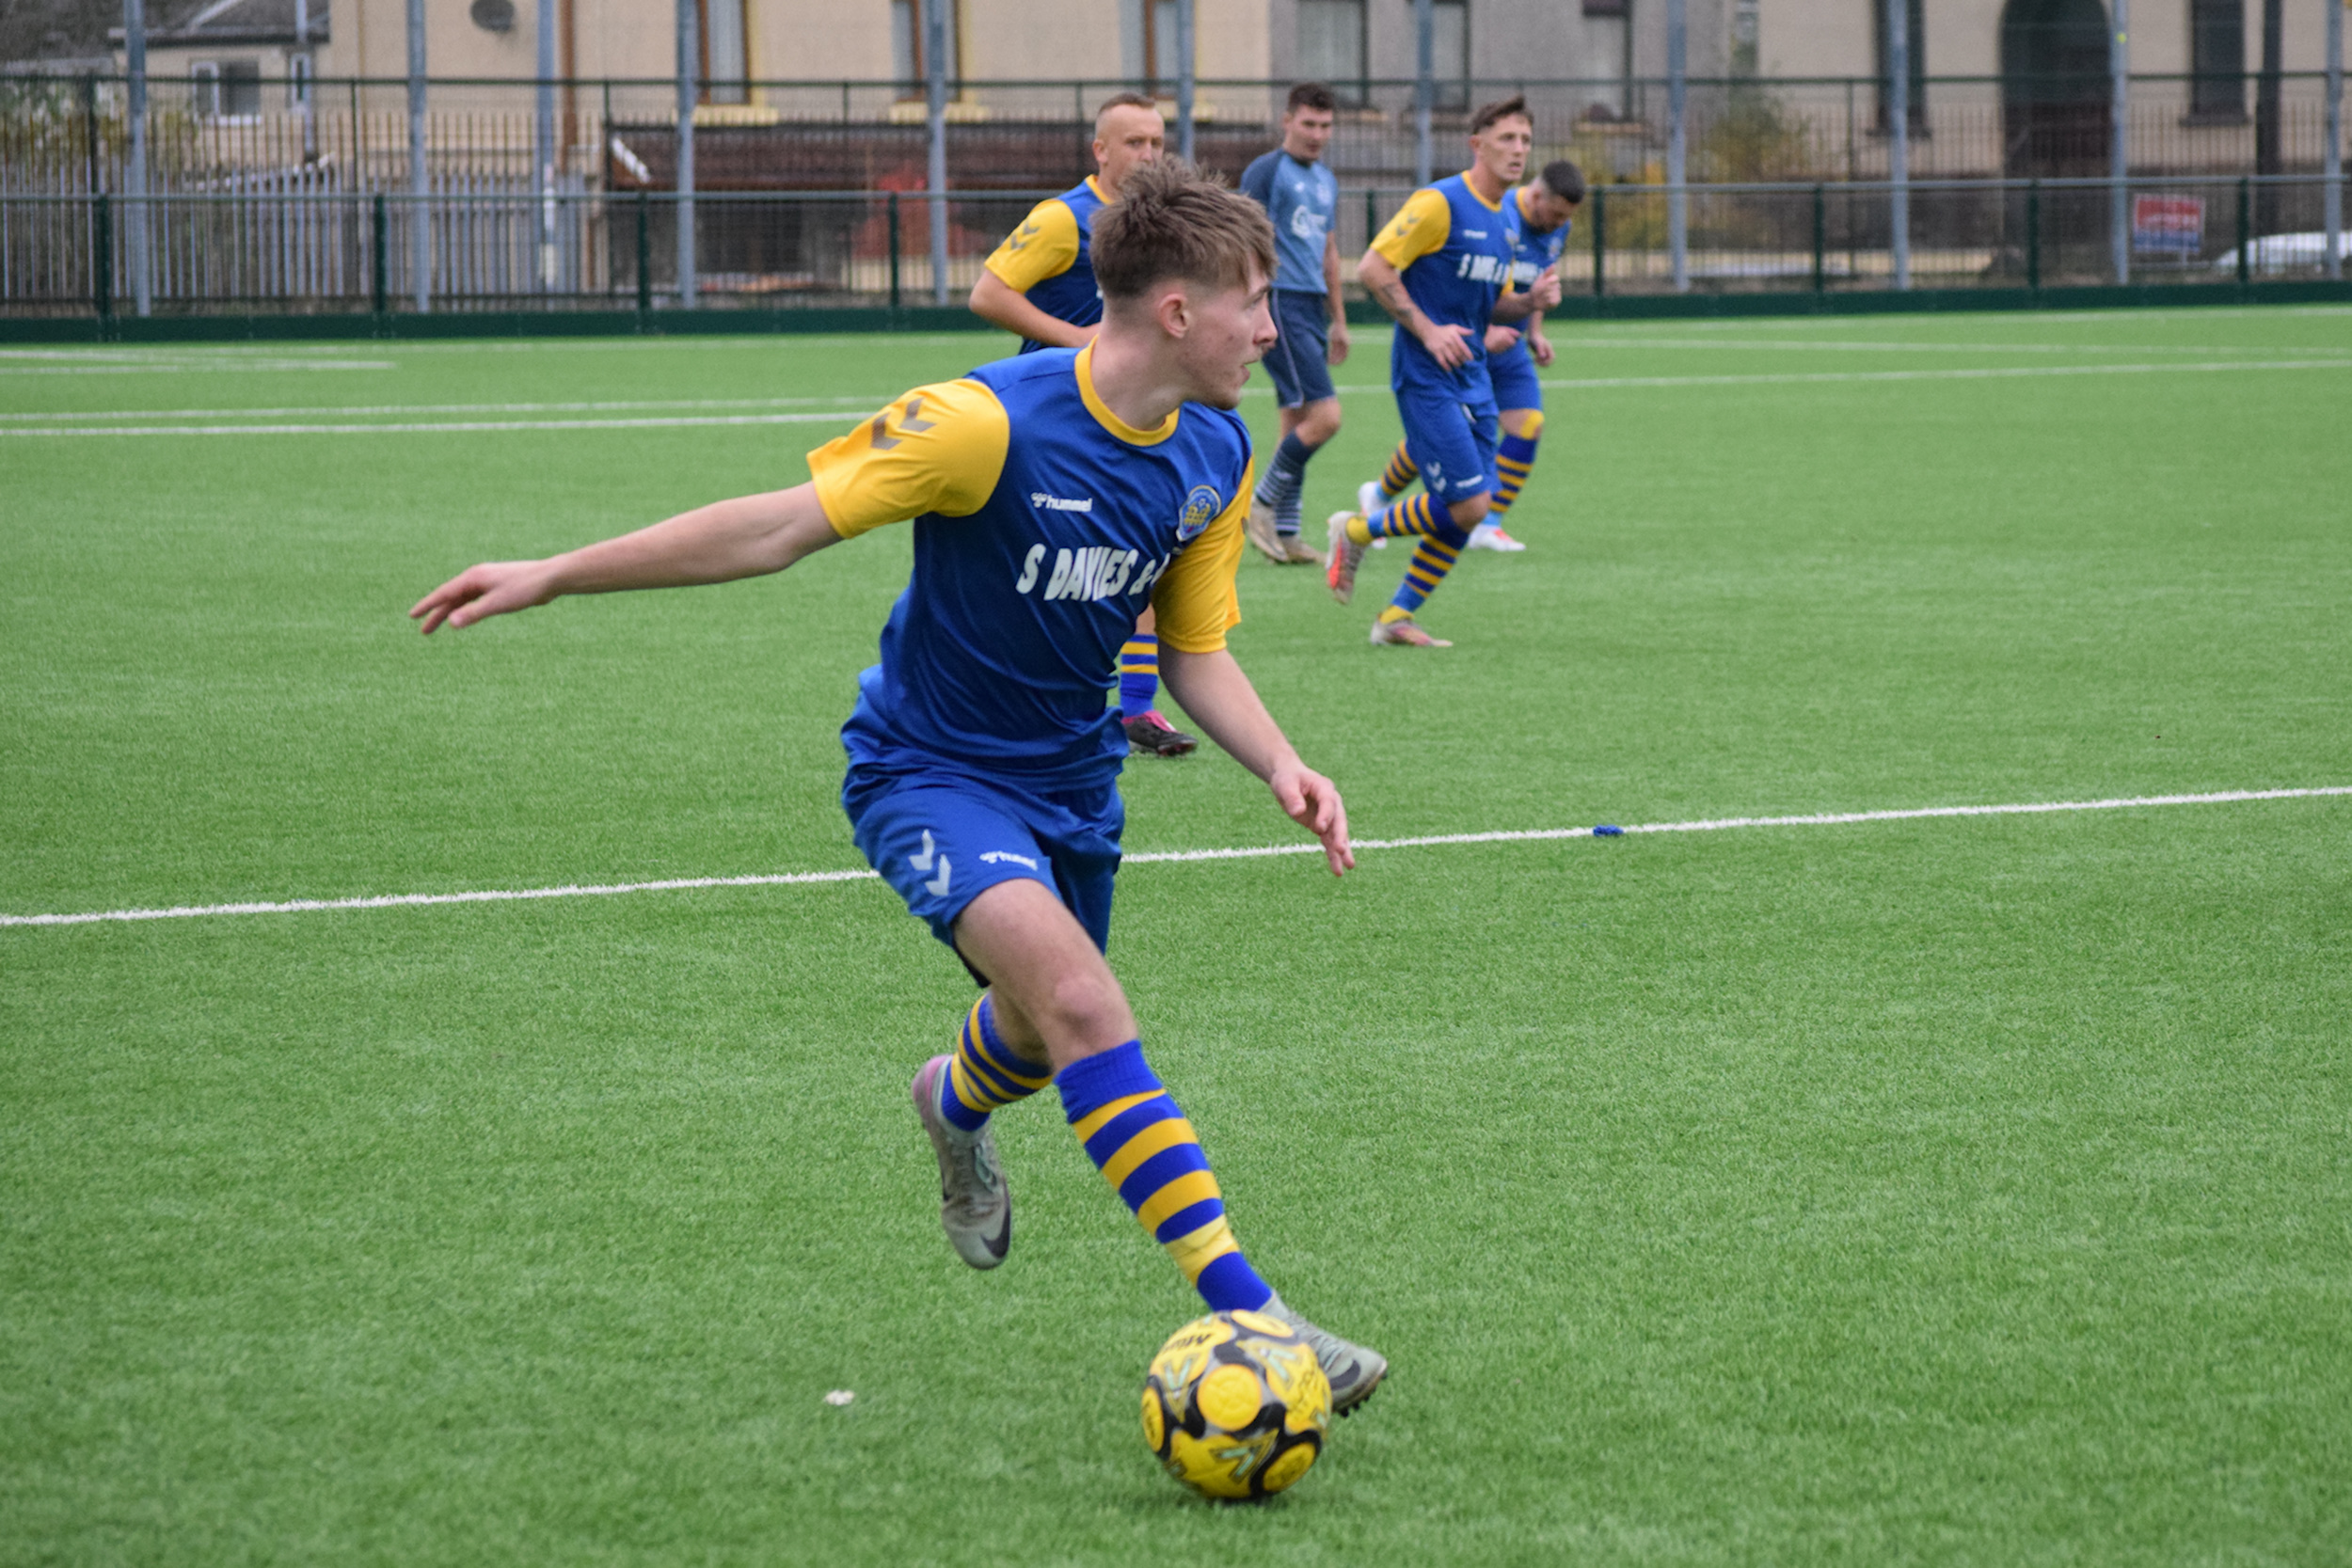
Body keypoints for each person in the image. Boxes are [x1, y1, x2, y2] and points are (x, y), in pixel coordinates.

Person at [410, 159, 1389, 1415]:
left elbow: (1193, 649)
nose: (1273, 326)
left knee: (1039, 1036)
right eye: (1253, 299)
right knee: (1086, 1001)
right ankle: (1255, 1309)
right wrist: (556, 570)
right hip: (927, 773)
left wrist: (1284, 761)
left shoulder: (1215, 446)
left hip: (1074, 786)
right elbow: (776, 524)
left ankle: (951, 1099)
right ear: (1176, 312)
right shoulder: (986, 424)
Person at [970, 93, 1195, 758]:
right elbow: (988, 292)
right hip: (1049, 425)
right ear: (1100, 151)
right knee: (1043, 571)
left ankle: (1137, 710)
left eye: (1157, 142)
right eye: (1134, 143)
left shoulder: (1160, 224)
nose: (1149, 154)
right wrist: (1075, 338)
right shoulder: (1064, 219)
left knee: (1137, 558)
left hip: (1129, 419)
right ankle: (1010, 701)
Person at [1327, 95, 1563, 647]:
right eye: (1506, 139)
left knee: (1465, 507)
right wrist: (1429, 330)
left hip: (1474, 374)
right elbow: (1372, 267)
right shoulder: (1440, 202)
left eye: (1525, 141)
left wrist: (1530, 302)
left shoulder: (1507, 219)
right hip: (1425, 373)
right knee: (1473, 503)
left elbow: (1494, 304)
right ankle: (1356, 529)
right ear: (1475, 143)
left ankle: (1394, 619)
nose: (1518, 150)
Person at [1361, 160, 1582, 554]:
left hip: (1509, 342)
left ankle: (1489, 523)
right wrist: (1487, 326)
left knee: (1528, 423)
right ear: (1536, 196)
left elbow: (1539, 279)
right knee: (1444, 436)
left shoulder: (1558, 227)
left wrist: (1535, 330)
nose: (1559, 223)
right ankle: (1377, 497)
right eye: (1556, 214)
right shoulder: (1499, 211)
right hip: (1466, 340)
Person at [1237, 82, 1349, 567]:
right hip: (1279, 302)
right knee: (1325, 417)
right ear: (1287, 122)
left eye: (1325, 126)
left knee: (1295, 419)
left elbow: (1328, 251)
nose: (1317, 134)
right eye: (1308, 123)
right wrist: (1252, 303)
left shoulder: (1326, 179)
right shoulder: (1266, 172)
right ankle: (1259, 507)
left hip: (1311, 306)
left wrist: (1339, 319)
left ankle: (1285, 533)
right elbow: (1244, 240)